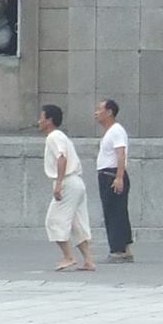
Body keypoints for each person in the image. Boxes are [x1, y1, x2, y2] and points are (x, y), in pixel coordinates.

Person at [40, 103, 94, 272]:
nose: (39, 121)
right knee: (77, 223)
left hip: (67, 182)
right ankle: (89, 260)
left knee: (54, 220)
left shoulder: (53, 137)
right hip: (76, 182)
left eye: (41, 118)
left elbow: (61, 157)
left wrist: (59, 183)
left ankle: (68, 256)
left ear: (49, 120)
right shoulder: (61, 136)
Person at [94, 97, 134, 262]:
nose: (96, 113)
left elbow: (121, 154)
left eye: (100, 109)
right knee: (118, 212)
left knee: (114, 213)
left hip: (111, 175)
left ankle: (118, 249)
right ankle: (125, 248)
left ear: (109, 112)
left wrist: (119, 177)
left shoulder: (116, 130)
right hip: (108, 174)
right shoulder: (110, 131)